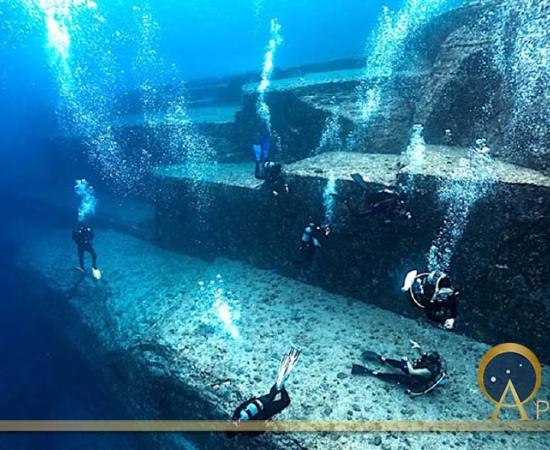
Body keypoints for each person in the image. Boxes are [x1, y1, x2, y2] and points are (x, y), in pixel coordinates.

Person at [227, 347, 300, 438]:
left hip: (266, 409)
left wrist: (266, 423)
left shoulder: (244, 430)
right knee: (273, 393)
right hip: (259, 400)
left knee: (285, 401)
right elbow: (242, 405)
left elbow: (260, 429)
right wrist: (253, 399)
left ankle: (280, 384)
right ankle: (279, 383)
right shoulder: (236, 415)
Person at [351, 340, 446, 397]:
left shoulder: (427, 371)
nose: (424, 356)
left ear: (430, 362)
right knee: (400, 364)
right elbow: (424, 355)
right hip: (416, 371)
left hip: (415, 379)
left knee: (396, 376)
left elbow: (412, 371)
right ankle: (384, 359)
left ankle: (375, 373)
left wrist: (407, 361)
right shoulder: (434, 361)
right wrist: (418, 347)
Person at [336, 173, 411, 223]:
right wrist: (387, 218)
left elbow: (388, 208)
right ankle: (346, 199)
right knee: (366, 193)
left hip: (377, 204)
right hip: (375, 203)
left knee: (358, 213)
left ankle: (346, 199)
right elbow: (387, 206)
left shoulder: (399, 206)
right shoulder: (396, 202)